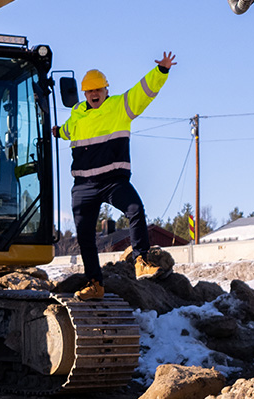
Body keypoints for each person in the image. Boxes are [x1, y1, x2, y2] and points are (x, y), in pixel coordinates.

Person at [53, 52, 177, 301]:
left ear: (106, 90)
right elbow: (67, 131)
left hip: (113, 181)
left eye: (98, 89)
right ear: (84, 94)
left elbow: (143, 92)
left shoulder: (120, 106)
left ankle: (140, 260)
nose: (94, 94)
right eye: (89, 91)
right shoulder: (77, 115)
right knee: (85, 236)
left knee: (135, 209)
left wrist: (161, 71)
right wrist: (57, 131)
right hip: (84, 186)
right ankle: (95, 284)